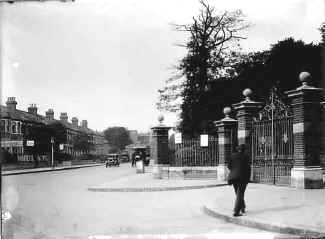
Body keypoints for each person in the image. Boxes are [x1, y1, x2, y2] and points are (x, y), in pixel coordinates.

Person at [227, 144, 251, 217]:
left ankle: (242, 207)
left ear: (238, 150)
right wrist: (248, 179)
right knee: (240, 193)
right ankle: (236, 211)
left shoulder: (232, 155)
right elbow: (248, 168)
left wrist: (234, 171)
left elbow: (229, 166)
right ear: (244, 150)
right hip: (242, 178)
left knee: (238, 193)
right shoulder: (246, 157)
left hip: (233, 178)